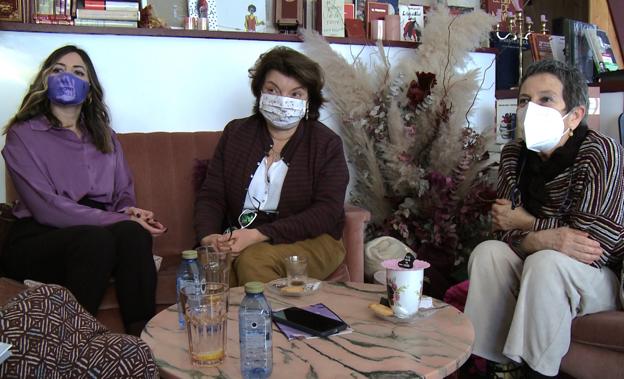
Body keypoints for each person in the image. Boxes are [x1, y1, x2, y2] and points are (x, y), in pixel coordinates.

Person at [464, 60, 623, 378]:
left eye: (546, 100)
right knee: (488, 255)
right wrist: (543, 236)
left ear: (575, 115)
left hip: (599, 277)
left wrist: (526, 225)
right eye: (525, 100)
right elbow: (500, 232)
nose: (530, 110)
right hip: (540, 260)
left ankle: (538, 373)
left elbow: (592, 247)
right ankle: (493, 366)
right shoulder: (514, 155)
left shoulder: (600, 151)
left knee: (546, 263)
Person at [0, 45, 167, 336]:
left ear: (89, 90)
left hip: (97, 230)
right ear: (44, 80)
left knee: (134, 234)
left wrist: (129, 212)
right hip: (38, 234)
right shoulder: (22, 135)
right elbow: (46, 207)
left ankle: (142, 341)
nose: (68, 77)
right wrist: (118, 219)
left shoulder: (106, 136)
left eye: (78, 73)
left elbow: (123, 192)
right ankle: (73, 345)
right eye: (58, 70)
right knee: (97, 240)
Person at [194, 46, 348, 286]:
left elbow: (326, 212)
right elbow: (212, 195)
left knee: (254, 260)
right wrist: (209, 237)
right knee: (214, 264)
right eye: (273, 90)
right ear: (260, 93)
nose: (283, 101)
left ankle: (281, 323)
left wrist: (257, 236)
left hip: (315, 239)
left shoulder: (326, 144)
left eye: (295, 94)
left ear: (309, 100)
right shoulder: (236, 133)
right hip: (243, 234)